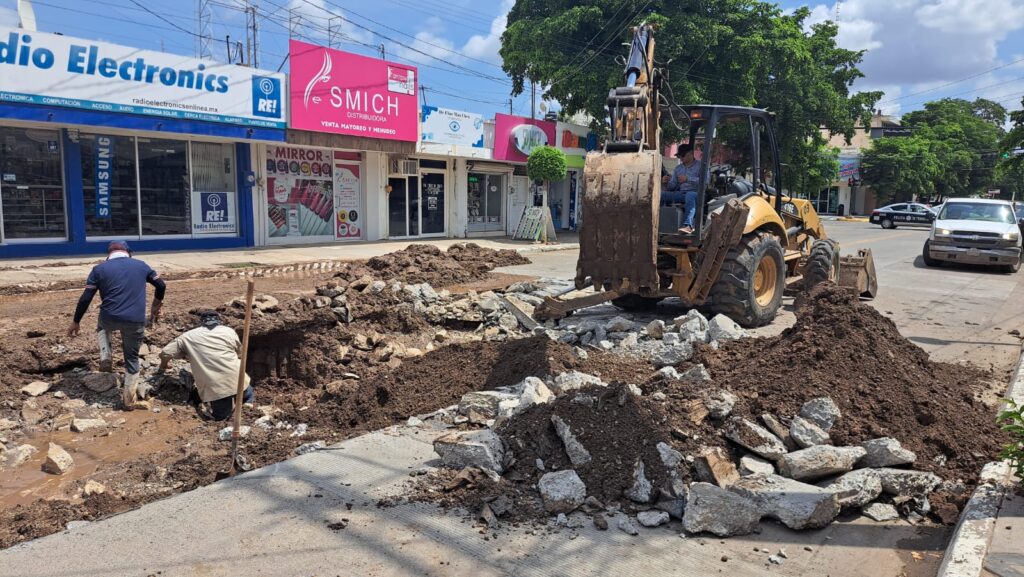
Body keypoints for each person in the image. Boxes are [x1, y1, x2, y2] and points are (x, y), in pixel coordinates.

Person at [68, 241, 165, 407]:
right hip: (135, 320)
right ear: (129, 253)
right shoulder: (141, 266)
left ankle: (106, 355)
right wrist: (155, 306)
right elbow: (161, 285)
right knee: (132, 358)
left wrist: (76, 321)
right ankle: (129, 399)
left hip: (109, 317)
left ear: (108, 254)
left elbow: (86, 297)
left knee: (102, 326)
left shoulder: (99, 269)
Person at [157, 311, 253, 421]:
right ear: (218, 321)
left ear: (201, 322)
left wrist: (164, 365)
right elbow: (240, 352)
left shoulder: (188, 336)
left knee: (222, 419)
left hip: (217, 390)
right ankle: (248, 410)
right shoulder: (229, 331)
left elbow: (165, 353)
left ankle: (231, 421)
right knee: (248, 395)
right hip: (239, 380)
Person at [661, 144, 702, 234]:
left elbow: (705, 181)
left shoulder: (700, 166)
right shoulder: (678, 168)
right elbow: (672, 186)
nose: (680, 158)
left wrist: (687, 179)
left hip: (696, 193)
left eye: (682, 155)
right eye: (679, 156)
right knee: (661, 195)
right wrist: (666, 182)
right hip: (681, 193)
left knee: (690, 195)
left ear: (691, 153)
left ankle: (688, 225)